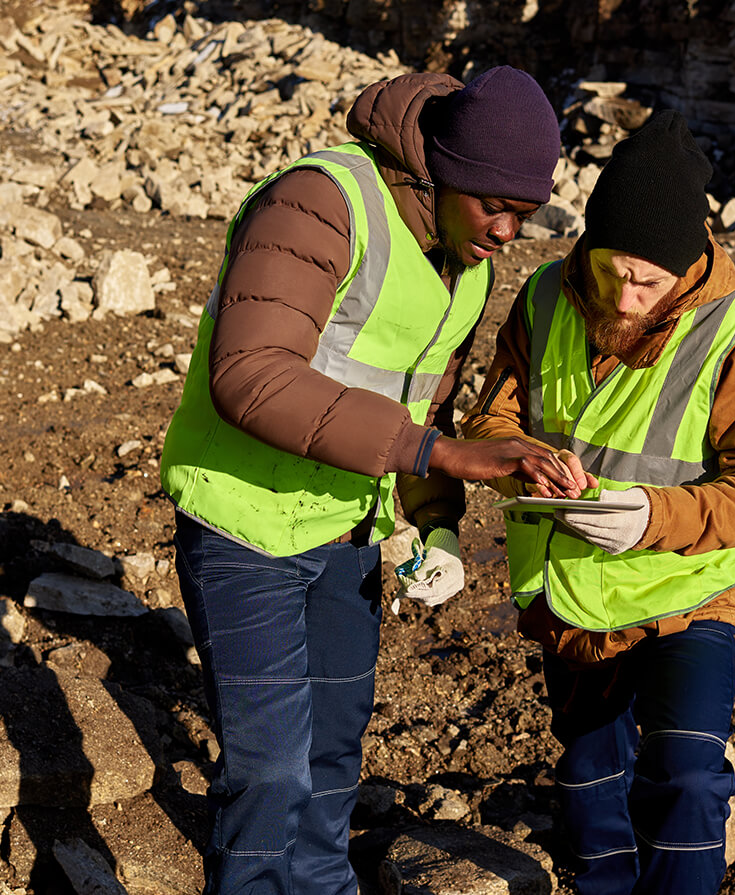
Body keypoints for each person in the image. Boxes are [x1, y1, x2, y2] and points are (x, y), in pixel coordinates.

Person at [160, 66, 582, 894]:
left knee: (331, 755)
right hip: (242, 524)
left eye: (523, 215)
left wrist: (435, 525)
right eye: (492, 204)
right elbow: (249, 373)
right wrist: (443, 458)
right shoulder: (320, 202)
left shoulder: (466, 267)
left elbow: (422, 407)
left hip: (344, 529)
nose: (505, 230)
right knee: (271, 769)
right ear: (442, 171)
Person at [460, 110, 735, 895]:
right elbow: (490, 419)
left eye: (647, 281)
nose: (624, 293)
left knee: (685, 778)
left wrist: (655, 515)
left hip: (686, 593)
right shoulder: (547, 293)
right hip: (569, 595)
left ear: (686, 267)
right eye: (612, 268)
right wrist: (527, 462)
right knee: (588, 785)